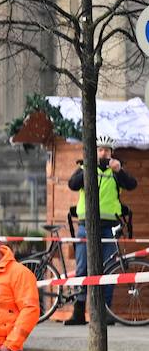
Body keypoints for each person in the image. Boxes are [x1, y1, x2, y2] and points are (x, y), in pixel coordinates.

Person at [67, 135, 138, 325]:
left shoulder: (116, 170)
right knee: (82, 269)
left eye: (107, 150)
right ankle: (78, 312)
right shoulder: (84, 167)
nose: (103, 153)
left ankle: (105, 311)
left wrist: (119, 170)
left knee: (109, 270)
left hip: (110, 227)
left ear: (112, 153)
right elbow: (72, 184)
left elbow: (132, 185)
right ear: (94, 151)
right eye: (100, 149)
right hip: (86, 226)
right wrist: (89, 167)